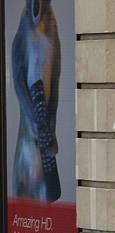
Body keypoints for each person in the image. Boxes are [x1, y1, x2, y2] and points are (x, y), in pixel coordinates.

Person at [12, 0, 61, 202]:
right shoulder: (23, 33)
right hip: (30, 128)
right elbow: (17, 83)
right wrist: (34, 120)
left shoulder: (52, 30)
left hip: (45, 128)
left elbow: (55, 84)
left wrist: (49, 125)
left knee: (47, 190)